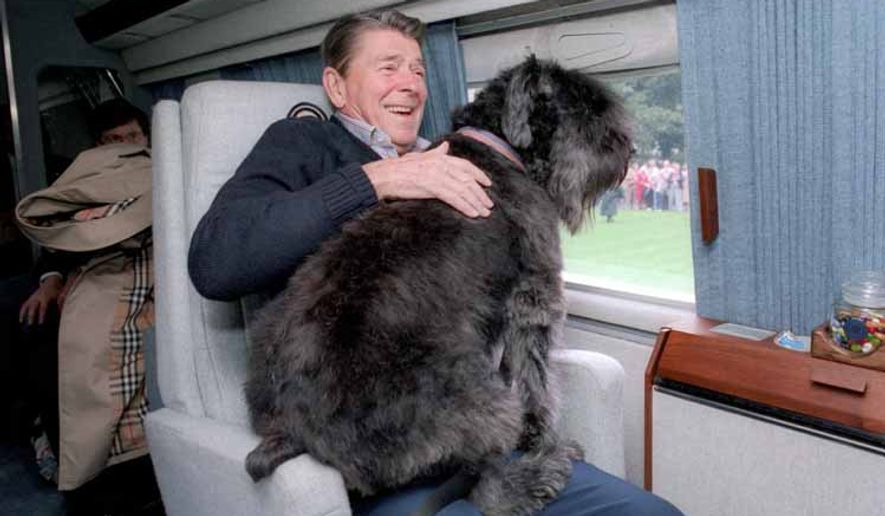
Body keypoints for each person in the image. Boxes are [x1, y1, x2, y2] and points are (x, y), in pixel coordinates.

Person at [189, 10, 681, 515]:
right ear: (337, 87)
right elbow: (217, 262)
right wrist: (379, 180)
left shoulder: (460, 155)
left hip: (475, 420)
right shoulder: (301, 144)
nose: (410, 85)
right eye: (388, 67)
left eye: (419, 71)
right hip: (369, 428)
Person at [15, 98, 160, 514]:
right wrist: (51, 281)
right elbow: (55, 248)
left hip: (124, 280)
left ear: (145, 136)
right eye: (113, 140)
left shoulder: (159, 173)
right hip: (76, 280)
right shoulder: (90, 182)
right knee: (34, 337)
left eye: (130, 136)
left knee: (82, 346)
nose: (123, 145)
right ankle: (47, 435)